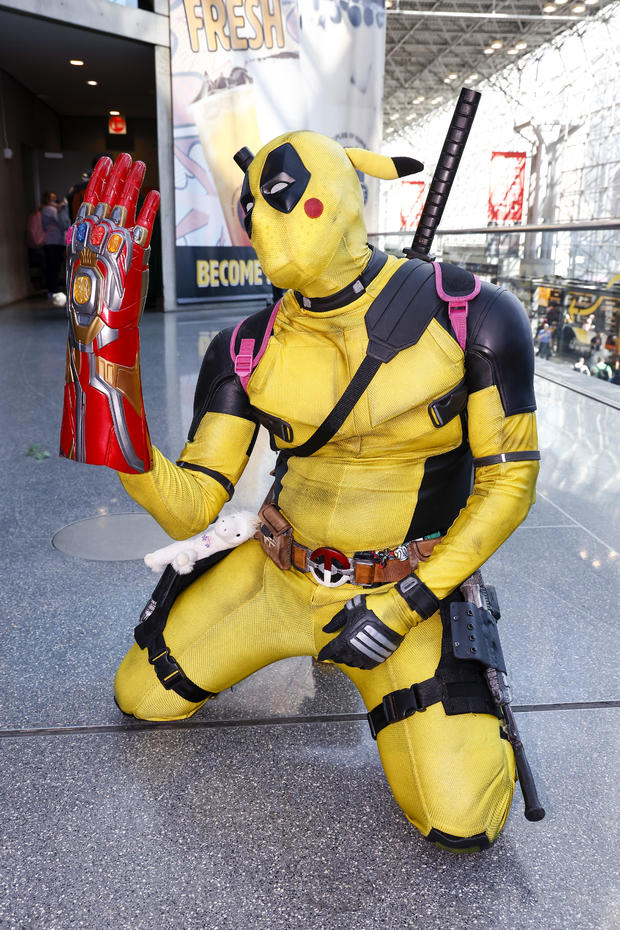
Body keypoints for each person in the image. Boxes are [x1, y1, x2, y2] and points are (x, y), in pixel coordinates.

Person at [60, 136, 540, 853]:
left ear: (346, 193)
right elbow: (195, 502)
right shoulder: (246, 348)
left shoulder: (476, 318)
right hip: (277, 575)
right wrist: (112, 400)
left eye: (291, 201)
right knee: (143, 695)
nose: (269, 229)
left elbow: (510, 482)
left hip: (403, 593)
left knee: (462, 818)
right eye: (255, 211)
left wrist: (411, 601)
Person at [40, 191, 69, 297]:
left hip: (54, 242)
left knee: (53, 266)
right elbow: (62, 223)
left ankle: (52, 289)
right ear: (48, 199)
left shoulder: (48, 209)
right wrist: (62, 209)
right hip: (52, 242)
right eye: (53, 198)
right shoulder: (50, 209)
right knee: (53, 266)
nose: (56, 200)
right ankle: (53, 289)